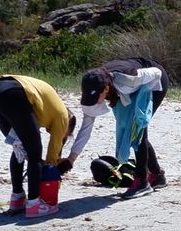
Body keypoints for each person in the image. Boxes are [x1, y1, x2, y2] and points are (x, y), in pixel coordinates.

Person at [68, 55, 169, 197]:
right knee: (132, 130)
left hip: (154, 81)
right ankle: (157, 176)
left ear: (105, 89)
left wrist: (141, 105)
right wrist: (71, 159)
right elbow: (86, 127)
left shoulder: (128, 79)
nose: (95, 102)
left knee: (137, 129)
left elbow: (156, 74)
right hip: (130, 90)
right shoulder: (92, 85)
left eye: (96, 98)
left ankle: (142, 182)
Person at [0, 72, 73, 218]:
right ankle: (34, 205)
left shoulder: (47, 109)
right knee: (34, 152)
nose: (61, 134)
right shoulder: (63, 116)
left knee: (20, 148)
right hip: (14, 94)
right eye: (66, 134)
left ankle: (17, 200)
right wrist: (52, 175)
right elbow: (53, 153)